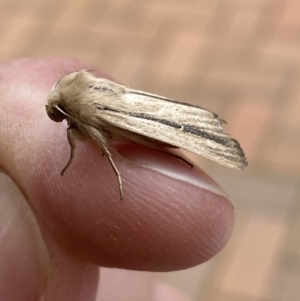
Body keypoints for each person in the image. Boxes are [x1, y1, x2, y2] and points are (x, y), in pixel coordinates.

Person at [0, 57, 234, 300]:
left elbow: (96, 138)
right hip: (147, 108)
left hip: (141, 121)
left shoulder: (86, 113)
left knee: (149, 132)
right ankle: (205, 124)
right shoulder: (81, 102)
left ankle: (209, 135)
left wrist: (118, 174)